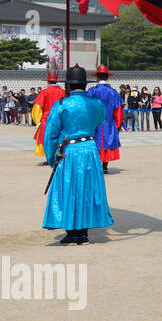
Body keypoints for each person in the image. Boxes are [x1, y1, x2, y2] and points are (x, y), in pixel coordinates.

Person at [42, 65, 113, 245]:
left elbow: (50, 134)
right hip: (89, 149)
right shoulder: (96, 103)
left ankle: (71, 233)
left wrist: (52, 158)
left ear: (68, 86)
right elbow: (100, 120)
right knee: (87, 188)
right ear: (85, 85)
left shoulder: (60, 105)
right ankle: (83, 233)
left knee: (68, 189)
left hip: (69, 151)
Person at [86, 65, 124, 175]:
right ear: (107, 77)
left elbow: (87, 108)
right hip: (108, 123)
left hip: (94, 123)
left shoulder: (92, 92)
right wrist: (117, 125)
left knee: (95, 143)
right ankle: (105, 166)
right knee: (107, 143)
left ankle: (96, 166)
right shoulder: (113, 92)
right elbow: (118, 111)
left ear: (97, 77)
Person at [32, 70, 67, 161]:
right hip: (60, 117)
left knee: (46, 137)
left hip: (46, 118)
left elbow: (37, 108)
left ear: (48, 81)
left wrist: (38, 121)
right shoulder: (62, 92)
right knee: (60, 136)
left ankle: (48, 157)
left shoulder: (44, 92)